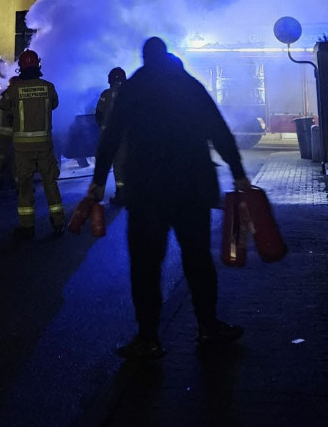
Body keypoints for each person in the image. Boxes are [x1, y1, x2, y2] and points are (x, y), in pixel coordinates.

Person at [88, 37, 252, 359]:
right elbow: (218, 129)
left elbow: (111, 136)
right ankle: (208, 327)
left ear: (146, 58)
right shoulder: (188, 86)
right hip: (192, 187)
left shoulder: (134, 87)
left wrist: (97, 181)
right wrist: (238, 171)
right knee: (198, 260)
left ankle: (148, 338)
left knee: (146, 267)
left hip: (148, 191)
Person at [0, 50, 66, 240]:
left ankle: (27, 226)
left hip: (22, 147)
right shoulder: (48, 87)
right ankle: (58, 221)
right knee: (50, 183)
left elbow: (3, 106)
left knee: (25, 186)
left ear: (21, 67)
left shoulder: (14, 89)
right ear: (38, 66)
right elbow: (54, 105)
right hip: (44, 145)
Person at [95, 67, 128, 206]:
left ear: (110, 80)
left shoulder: (105, 94)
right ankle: (122, 194)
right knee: (121, 165)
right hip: (124, 137)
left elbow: (98, 114)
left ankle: (97, 197)